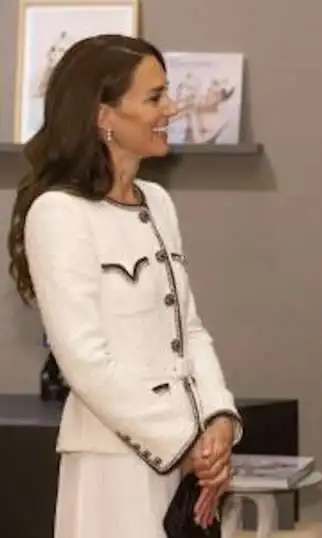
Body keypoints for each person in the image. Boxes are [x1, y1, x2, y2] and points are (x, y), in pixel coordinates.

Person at [6, 34, 243, 538]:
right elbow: (84, 362)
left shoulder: (158, 202)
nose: (172, 108)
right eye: (154, 97)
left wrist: (219, 420)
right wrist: (185, 445)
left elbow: (191, 329)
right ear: (103, 116)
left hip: (185, 464)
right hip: (115, 467)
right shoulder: (58, 213)